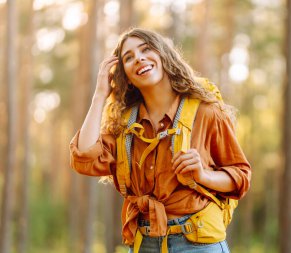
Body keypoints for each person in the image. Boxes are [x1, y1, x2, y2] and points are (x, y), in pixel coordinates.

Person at [69, 28, 251, 253]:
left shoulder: (206, 111)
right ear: (125, 75)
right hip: (143, 242)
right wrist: (99, 94)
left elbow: (240, 176)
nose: (139, 58)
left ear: (163, 55)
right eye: (129, 57)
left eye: (146, 49)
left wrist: (203, 175)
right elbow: (84, 157)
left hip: (199, 242)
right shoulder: (122, 124)